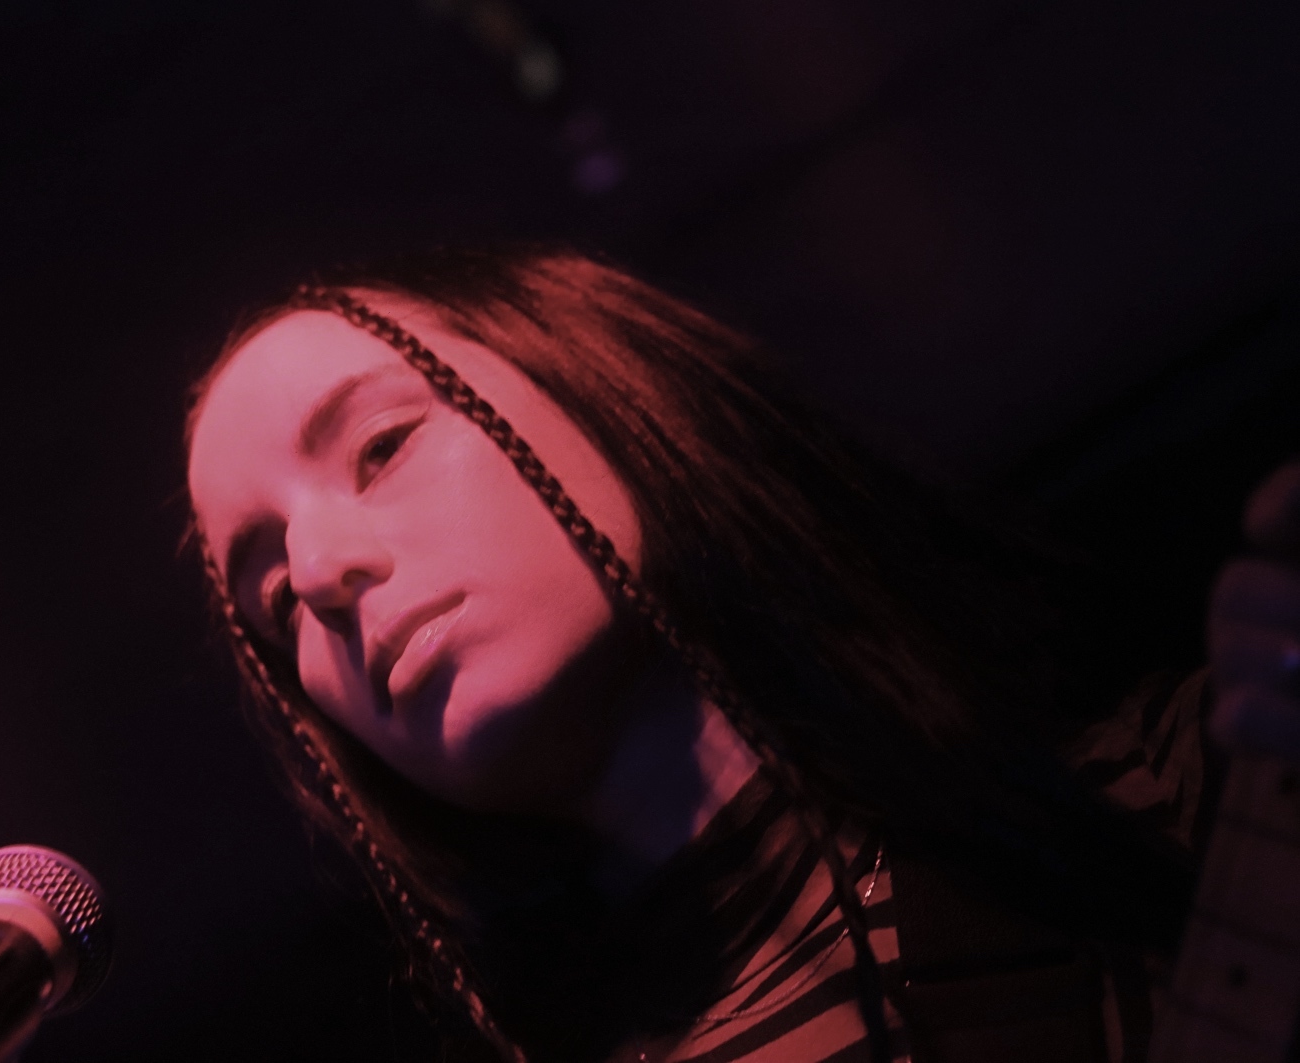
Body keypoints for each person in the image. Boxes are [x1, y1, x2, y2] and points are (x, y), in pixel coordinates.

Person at [183, 246, 1300, 1063]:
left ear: (601, 383)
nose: (319, 572)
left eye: (381, 446)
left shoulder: (1190, 807)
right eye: (274, 601)